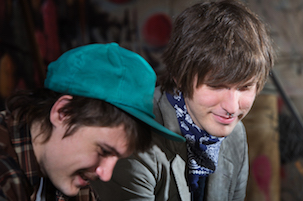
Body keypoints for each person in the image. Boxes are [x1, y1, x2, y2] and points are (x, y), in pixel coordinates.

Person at [92, 0, 275, 200]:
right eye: (215, 86)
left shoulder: (234, 134)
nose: (232, 107)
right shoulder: (133, 138)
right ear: (180, 76)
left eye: (245, 87)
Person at [0, 42, 185, 200]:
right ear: (63, 113)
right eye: (103, 151)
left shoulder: (71, 181)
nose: (105, 174)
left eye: (117, 158)